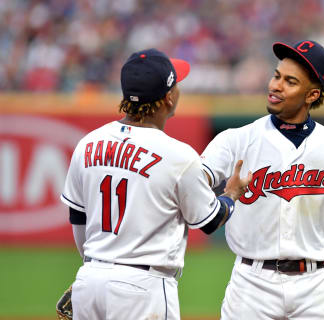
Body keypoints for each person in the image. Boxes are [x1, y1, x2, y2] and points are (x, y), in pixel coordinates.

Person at [58, 48, 251, 320]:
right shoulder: (179, 156)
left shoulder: (88, 143)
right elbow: (210, 221)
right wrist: (231, 195)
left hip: (89, 280)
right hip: (143, 288)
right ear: (169, 99)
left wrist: (95, 267)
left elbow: (78, 217)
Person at [201, 40, 324, 319]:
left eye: (290, 81)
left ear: (312, 95)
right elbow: (194, 180)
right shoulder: (236, 140)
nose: (275, 86)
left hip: (316, 284)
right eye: (276, 75)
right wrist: (225, 198)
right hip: (251, 283)